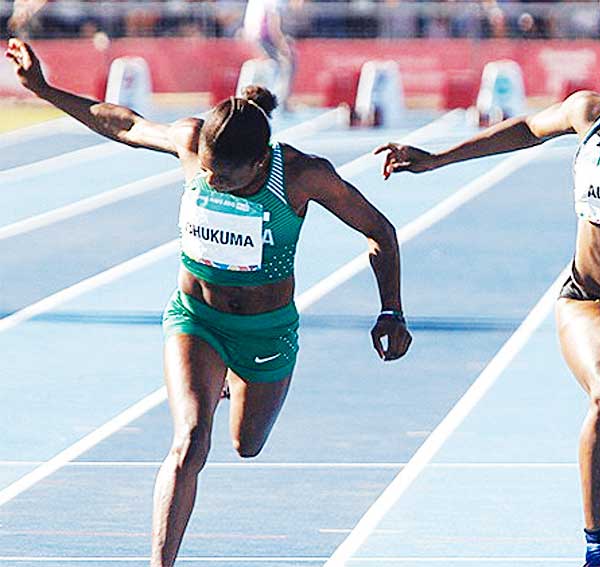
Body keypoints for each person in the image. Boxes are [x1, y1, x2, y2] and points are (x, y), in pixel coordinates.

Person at [5, 38, 412, 567]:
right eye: (209, 173)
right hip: (195, 318)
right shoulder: (194, 143)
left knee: (247, 445)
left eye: (228, 178)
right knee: (191, 440)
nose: (213, 182)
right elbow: (123, 123)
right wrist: (43, 89)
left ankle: (232, 380)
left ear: (260, 162)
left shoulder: (303, 176)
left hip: (266, 332)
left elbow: (380, 230)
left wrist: (391, 310)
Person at [375, 18, 600, 567]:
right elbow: (524, 128)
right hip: (589, 299)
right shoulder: (590, 112)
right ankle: (598, 551)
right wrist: (437, 159)